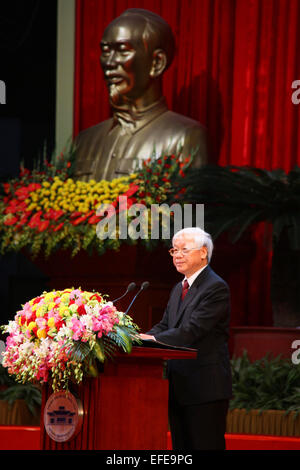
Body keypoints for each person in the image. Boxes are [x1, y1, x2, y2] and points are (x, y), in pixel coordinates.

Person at [74, 9, 207, 182]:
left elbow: (192, 208)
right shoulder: (84, 141)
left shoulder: (185, 137)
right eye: (106, 51)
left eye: (122, 50)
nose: (109, 62)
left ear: (157, 63)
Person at [140, 227, 232, 450]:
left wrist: (152, 341)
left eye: (184, 250)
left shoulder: (215, 287)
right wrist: (139, 338)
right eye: (174, 250)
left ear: (203, 253)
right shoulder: (178, 288)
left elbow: (191, 330)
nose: (177, 255)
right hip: (179, 386)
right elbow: (165, 325)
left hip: (204, 388)